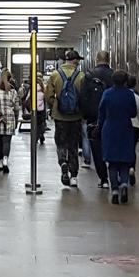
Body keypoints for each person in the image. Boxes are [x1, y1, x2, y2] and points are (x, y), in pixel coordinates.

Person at [43, 51, 89, 188]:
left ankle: (63, 162)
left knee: (61, 142)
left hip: (60, 116)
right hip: (75, 116)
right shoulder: (81, 76)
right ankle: (74, 175)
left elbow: (48, 96)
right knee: (73, 145)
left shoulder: (55, 75)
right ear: (75, 61)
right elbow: (84, 97)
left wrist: (56, 105)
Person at [96, 71, 139, 204]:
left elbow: (101, 111)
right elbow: (133, 113)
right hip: (125, 129)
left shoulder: (107, 93)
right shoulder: (129, 94)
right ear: (125, 81)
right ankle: (124, 185)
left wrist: (99, 125)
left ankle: (114, 190)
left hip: (110, 129)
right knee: (125, 161)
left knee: (112, 163)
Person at [80, 51, 114, 189]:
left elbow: (83, 97)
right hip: (112, 117)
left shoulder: (89, 75)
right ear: (108, 59)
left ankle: (104, 179)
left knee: (97, 149)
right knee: (113, 147)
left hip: (94, 117)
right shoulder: (114, 75)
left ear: (96, 59)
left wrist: (85, 115)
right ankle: (115, 174)